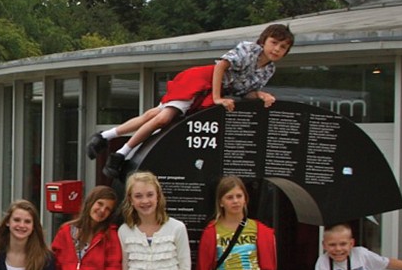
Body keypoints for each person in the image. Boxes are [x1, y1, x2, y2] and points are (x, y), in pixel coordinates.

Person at [89, 23, 295, 179]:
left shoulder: (269, 69)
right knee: (164, 118)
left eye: (283, 47)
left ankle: (104, 136)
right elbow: (221, 66)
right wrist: (217, 98)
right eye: (274, 43)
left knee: (153, 115)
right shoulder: (249, 49)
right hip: (201, 81)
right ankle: (120, 154)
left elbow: (246, 92)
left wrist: (260, 95)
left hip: (214, 91)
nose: (276, 49)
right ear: (264, 40)